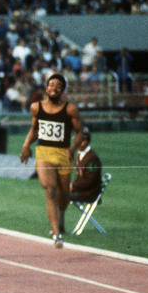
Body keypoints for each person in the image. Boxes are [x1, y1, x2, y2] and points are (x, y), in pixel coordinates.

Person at [19, 72, 85, 248]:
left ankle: (60, 218)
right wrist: (26, 145)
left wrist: (72, 148)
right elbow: (34, 130)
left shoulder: (70, 109)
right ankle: (56, 234)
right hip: (44, 153)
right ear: (46, 88)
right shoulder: (36, 107)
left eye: (58, 85)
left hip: (63, 153)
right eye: (51, 84)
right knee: (50, 189)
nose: (54, 88)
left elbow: (80, 132)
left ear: (63, 90)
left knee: (63, 195)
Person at [69, 127, 102, 204]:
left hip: (89, 194)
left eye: (83, 140)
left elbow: (90, 180)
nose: (80, 143)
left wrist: (72, 186)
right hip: (82, 191)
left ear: (88, 141)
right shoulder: (79, 155)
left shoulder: (92, 158)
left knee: (60, 197)